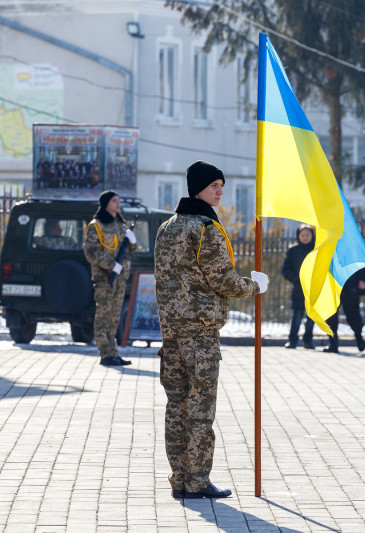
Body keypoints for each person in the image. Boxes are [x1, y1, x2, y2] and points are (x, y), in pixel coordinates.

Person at [154, 160, 268, 499]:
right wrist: (254, 286)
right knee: (200, 410)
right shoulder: (205, 228)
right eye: (214, 186)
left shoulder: (166, 227)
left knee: (176, 407)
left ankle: (180, 480)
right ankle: (198, 481)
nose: (220, 192)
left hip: (171, 333)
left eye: (221, 186)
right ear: (198, 189)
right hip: (200, 334)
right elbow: (224, 280)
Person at [83, 190, 137, 366]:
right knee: (103, 317)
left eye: (118, 200)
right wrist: (110, 264)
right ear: (106, 203)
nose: (118, 204)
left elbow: (131, 250)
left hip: (120, 279)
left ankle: (113, 352)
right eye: (114, 201)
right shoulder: (96, 225)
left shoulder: (121, 224)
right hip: (105, 278)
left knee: (114, 318)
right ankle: (105, 353)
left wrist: (133, 241)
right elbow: (90, 252)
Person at [281, 224, 316, 349]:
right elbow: (286, 269)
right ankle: (292, 341)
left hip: (314, 288)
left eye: (308, 235)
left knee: (311, 317)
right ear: (298, 236)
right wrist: (296, 279)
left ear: (312, 236)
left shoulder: (316, 250)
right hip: (298, 289)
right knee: (296, 316)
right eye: (303, 235)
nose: (305, 237)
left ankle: (308, 341)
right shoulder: (293, 251)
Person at [323, 266, 365, 353]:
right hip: (332, 283)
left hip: (351, 284)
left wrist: (363, 278)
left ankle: (359, 338)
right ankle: (333, 343)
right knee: (331, 315)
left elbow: (363, 260)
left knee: (353, 315)